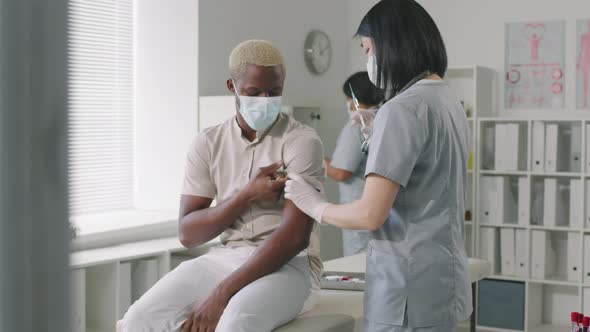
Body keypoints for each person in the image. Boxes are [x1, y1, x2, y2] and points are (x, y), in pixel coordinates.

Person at [284, 1, 472, 331]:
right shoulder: (448, 102)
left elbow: (370, 214)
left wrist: (314, 205)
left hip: (407, 287)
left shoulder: (401, 110)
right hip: (443, 277)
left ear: (391, 44)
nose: (367, 59)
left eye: (367, 49)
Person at [117, 39, 326, 332]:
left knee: (235, 320)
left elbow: (295, 238)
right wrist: (246, 196)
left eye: (274, 92)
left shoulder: (302, 141)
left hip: (290, 266)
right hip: (226, 258)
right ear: (233, 87)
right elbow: (188, 234)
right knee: (139, 318)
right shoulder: (208, 143)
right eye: (254, 92)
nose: (266, 100)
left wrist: (221, 294)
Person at [326, 71, 383, 256]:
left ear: (353, 98)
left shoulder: (357, 125)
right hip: (382, 208)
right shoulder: (382, 119)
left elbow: (342, 172)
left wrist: (315, 158)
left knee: (359, 266)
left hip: (359, 210)